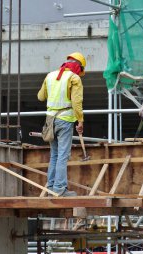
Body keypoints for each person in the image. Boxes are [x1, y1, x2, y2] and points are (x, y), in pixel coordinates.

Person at [37, 52, 86, 197]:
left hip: (50, 120)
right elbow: (77, 103)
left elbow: (40, 96)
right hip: (65, 120)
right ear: (78, 66)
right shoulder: (74, 78)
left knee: (54, 155)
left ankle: (51, 188)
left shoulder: (50, 76)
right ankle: (59, 189)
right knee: (62, 156)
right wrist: (80, 120)